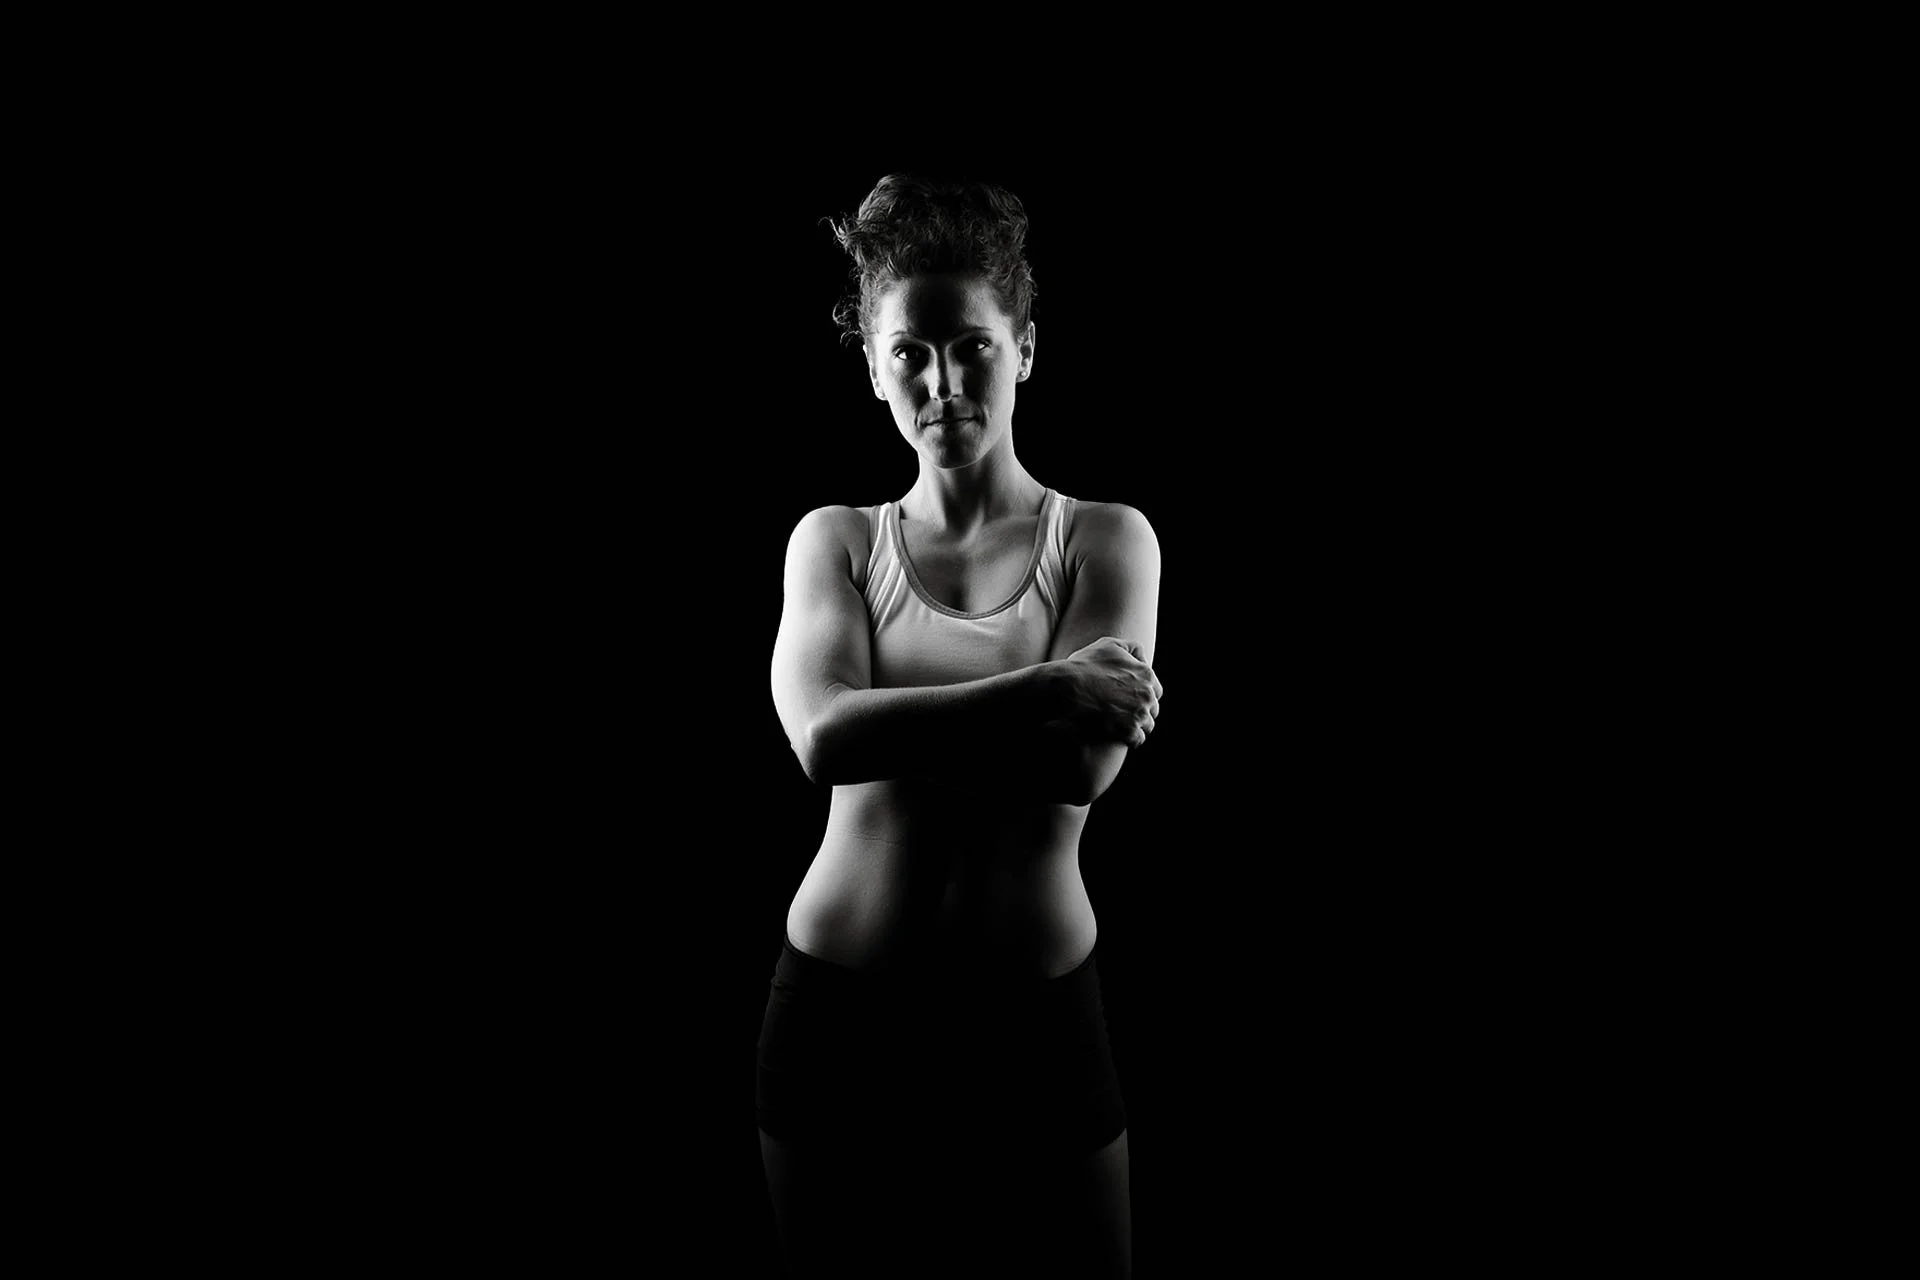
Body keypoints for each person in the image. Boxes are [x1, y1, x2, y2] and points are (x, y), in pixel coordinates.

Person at [757, 173, 1163, 1280]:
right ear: (875, 365)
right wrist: (1043, 686)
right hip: (842, 1014)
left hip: (1036, 1024)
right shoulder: (834, 542)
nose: (943, 382)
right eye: (911, 353)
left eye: (972, 347)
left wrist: (917, 718)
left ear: (1025, 346)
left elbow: (1082, 769)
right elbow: (826, 740)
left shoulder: (1108, 540)